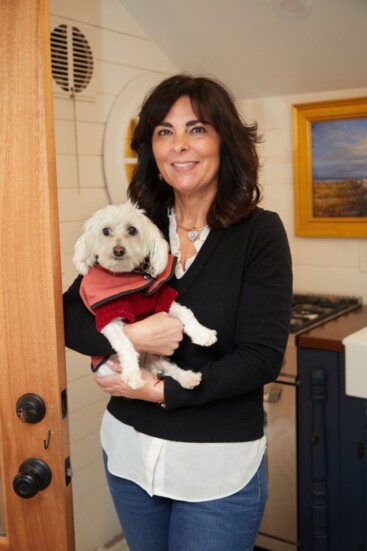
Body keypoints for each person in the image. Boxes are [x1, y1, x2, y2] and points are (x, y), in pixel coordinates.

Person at [63, 74, 292, 551]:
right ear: (151, 148)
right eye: (164, 131)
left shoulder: (259, 234)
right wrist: (137, 340)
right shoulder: (137, 229)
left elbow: (260, 359)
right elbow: (69, 315)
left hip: (217, 468)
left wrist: (158, 391)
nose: (179, 146)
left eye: (197, 128)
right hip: (129, 455)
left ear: (224, 141)